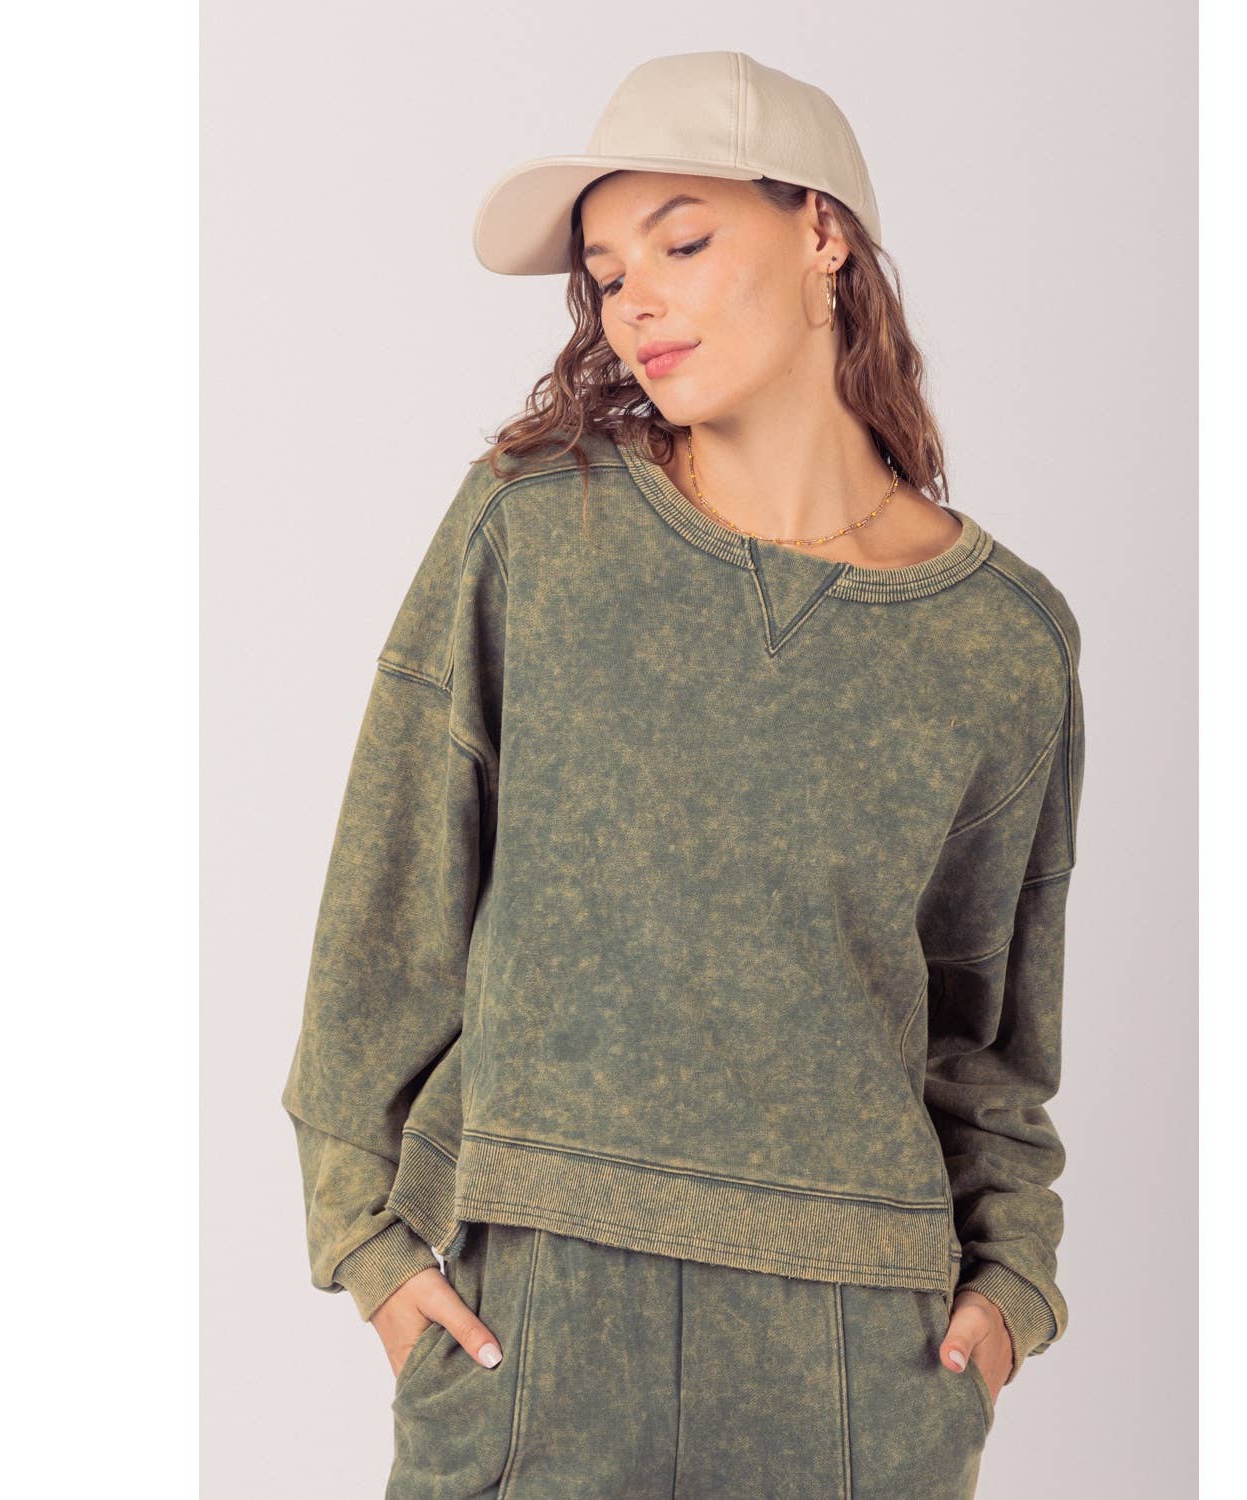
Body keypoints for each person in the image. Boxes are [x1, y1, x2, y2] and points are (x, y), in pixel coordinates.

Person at [282, 50, 1086, 1500]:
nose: (633, 301)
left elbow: (987, 1044)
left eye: (685, 242)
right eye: (605, 275)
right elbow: (382, 925)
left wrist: (1005, 1297)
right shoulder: (535, 531)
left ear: (823, 233)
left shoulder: (999, 641)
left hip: (858, 1364)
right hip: (538, 1326)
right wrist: (371, 1251)